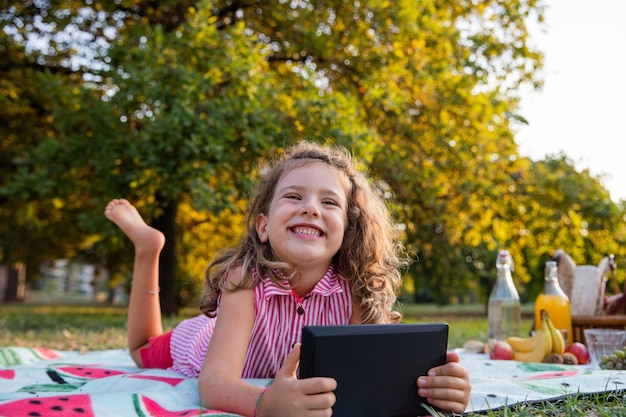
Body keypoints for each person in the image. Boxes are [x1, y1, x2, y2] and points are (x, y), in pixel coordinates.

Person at [104, 141, 471, 416]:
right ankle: (148, 248)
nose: (311, 208)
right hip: (203, 340)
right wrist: (265, 404)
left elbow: (376, 375)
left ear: (348, 229)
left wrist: (436, 388)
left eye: (329, 203)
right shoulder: (242, 279)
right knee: (141, 347)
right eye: (294, 196)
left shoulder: (356, 288)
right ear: (263, 226)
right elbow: (213, 385)